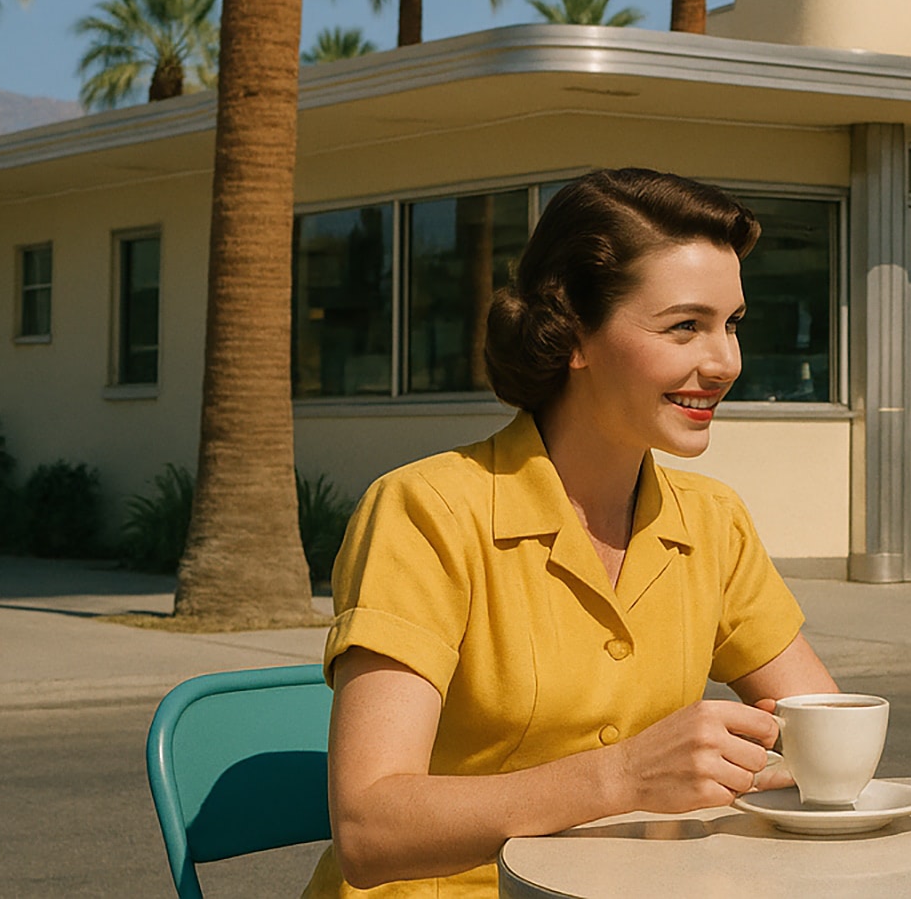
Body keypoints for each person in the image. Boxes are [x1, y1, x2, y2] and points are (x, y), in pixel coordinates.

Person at [306, 168, 838, 897]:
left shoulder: (713, 521)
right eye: (685, 325)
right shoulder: (426, 512)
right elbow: (369, 830)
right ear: (572, 334)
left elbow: (823, 731)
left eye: (732, 324)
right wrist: (624, 776)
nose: (725, 362)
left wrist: (788, 753)